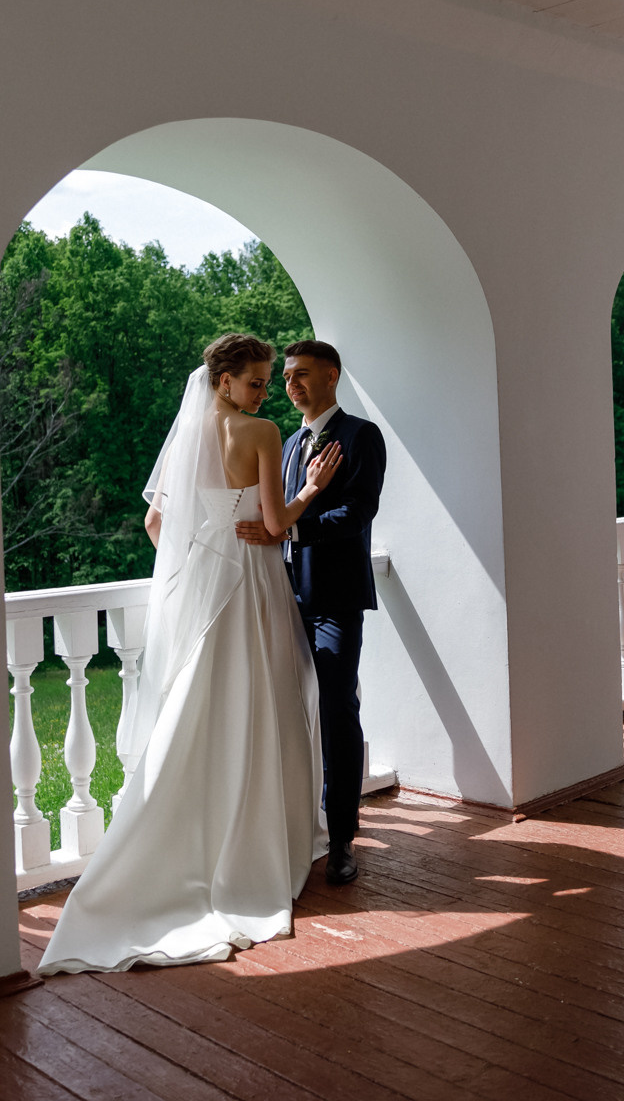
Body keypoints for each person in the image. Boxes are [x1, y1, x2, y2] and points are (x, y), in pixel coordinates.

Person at [36, 334, 342, 975]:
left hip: (207, 583)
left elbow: (157, 525)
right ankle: (256, 842)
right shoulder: (261, 433)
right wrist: (312, 488)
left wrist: (202, 551)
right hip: (253, 580)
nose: (265, 393)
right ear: (224, 381)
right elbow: (277, 524)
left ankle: (179, 840)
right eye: (255, 381)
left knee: (202, 703)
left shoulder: (186, 439)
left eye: (267, 381)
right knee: (261, 699)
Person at [237, 339, 385, 887]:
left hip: (335, 601)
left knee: (337, 709)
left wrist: (291, 530)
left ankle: (342, 836)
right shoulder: (288, 441)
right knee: (277, 708)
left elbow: (358, 511)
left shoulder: (361, 435)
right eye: (286, 377)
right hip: (281, 595)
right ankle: (294, 826)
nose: (290, 384)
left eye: (300, 374)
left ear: (331, 376)